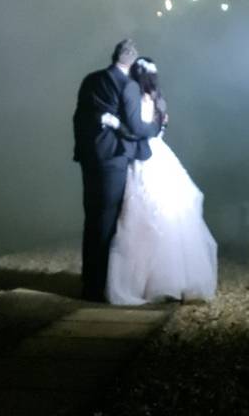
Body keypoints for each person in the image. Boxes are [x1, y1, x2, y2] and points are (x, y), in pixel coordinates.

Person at [105, 57, 218, 304]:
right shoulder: (159, 99)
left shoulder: (134, 96)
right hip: (160, 152)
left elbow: (135, 128)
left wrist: (115, 124)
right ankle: (176, 278)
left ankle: (145, 283)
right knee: (169, 213)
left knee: (142, 213)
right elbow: (160, 127)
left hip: (144, 153)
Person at [73, 40, 162, 302]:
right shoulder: (128, 85)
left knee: (91, 218)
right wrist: (156, 127)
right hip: (113, 157)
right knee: (107, 219)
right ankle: (100, 286)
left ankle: (89, 280)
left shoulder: (91, 79)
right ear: (132, 62)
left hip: (90, 155)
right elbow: (134, 127)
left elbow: (79, 117)